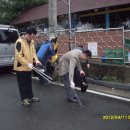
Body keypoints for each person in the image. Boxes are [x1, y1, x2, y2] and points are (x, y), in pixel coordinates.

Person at [14, 28, 41, 107]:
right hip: (20, 67)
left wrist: (36, 60)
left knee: (29, 82)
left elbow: (33, 53)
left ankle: (30, 96)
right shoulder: (19, 42)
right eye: (31, 36)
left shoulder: (32, 42)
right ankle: (24, 99)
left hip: (29, 67)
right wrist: (27, 63)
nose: (32, 38)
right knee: (22, 84)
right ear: (28, 34)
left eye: (33, 37)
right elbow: (18, 56)